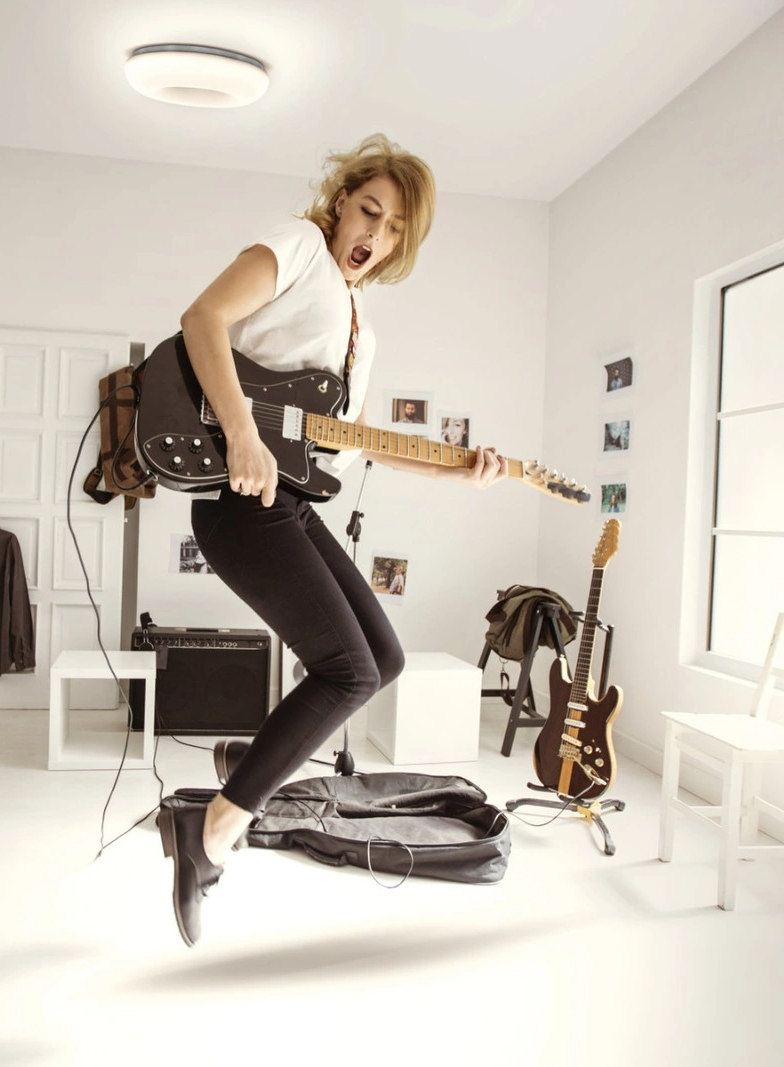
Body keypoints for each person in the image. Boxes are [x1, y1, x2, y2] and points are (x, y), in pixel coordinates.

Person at [158, 133, 505, 947]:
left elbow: (348, 439)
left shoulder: (360, 329)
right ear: (342, 200)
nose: (374, 235)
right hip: (241, 499)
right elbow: (202, 318)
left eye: (394, 229)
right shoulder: (298, 247)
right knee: (347, 669)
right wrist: (241, 433)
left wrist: (455, 469)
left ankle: (247, 763)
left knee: (381, 659)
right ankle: (212, 829)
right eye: (369, 211)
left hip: (293, 500)